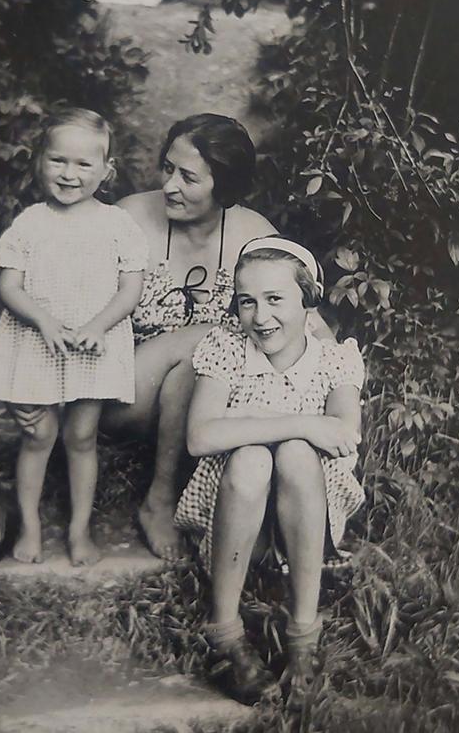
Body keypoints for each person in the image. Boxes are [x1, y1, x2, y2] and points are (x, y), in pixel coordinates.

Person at [102, 114, 333, 560]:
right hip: (119, 390)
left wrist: (339, 376)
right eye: (168, 169)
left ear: (224, 188)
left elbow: (307, 319)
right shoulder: (128, 219)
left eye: (188, 177)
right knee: (209, 341)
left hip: (199, 401)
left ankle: (205, 506)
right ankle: (161, 501)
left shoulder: (253, 233)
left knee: (202, 358)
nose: (170, 186)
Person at [174, 236, 364, 708]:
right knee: (252, 456)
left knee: (297, 455)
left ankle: (303, 635)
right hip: (238, 520)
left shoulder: (333, 361)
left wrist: (250, 421)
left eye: (276, 299)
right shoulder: (227, 350)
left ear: (309, 302)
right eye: (247, 302)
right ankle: (223, 633)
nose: (261, 317)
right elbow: (199, 437)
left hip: (306, 522)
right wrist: (300, 422)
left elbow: (343, 434)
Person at [0, 106, 146, 567]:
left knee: (83, 435)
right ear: (40, 161)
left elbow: (131, 288)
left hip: (93, 342)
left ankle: (79, 529)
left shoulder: (117, 225)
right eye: (58, 161)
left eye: (83, 164)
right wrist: (44, 320)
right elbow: (9, 285)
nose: (69, 174)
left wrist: (97, 325)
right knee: (38, 434)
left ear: (107, 171)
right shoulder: (31, 223)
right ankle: (29, 525)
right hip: (37, 340)